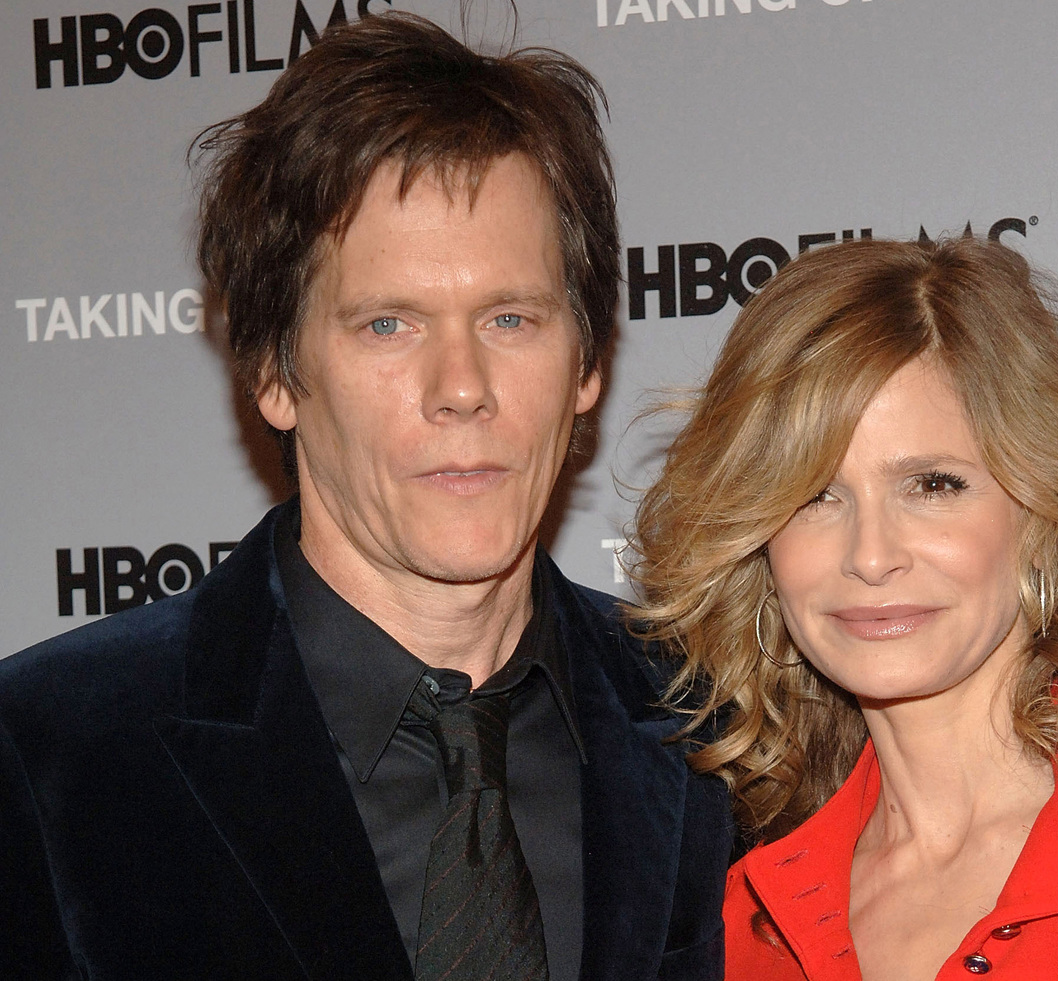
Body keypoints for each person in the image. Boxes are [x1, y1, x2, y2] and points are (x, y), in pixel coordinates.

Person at [0, 12, 731, 980]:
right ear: (272, 370)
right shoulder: (51, 760)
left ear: (587, 359)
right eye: (388, 325)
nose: (462, 386)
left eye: (511, 318)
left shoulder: (724, 739)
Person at [630, 236, 1058, 979]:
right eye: (813, 495)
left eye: (932, 484)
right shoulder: (746, 925)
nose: (871, 555)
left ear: (1042, 511)